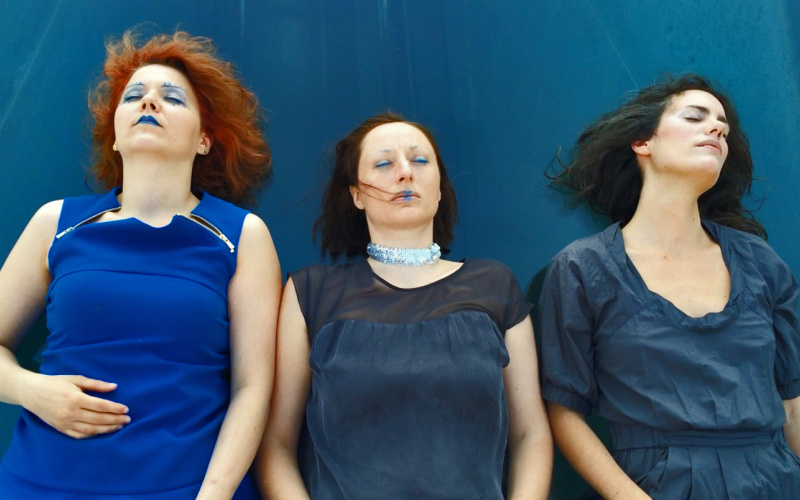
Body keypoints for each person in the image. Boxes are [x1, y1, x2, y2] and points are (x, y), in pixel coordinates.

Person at [0, 30, 281, 499]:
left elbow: (253, 388)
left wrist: (213, 494)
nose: (149, 102)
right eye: (135, 96)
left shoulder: (242, 235)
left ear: (205, 140)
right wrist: (32, 391)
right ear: (114, 137)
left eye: (172, 98)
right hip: (40, 483)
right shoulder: (56, 222)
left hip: (186, 487)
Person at [257, 112, 552, 499]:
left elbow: (531, 433)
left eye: (420, 160)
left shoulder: (494, 284)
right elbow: (275, 444)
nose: (405, 173)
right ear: (356, 195)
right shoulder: (311, 291)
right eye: (383, 163)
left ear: (440, 188)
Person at [540, 74, 800, 499]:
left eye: (723, 126)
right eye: (695, 117)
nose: (716, 128)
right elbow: (564, 412)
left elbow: (792, 403)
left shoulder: (762, 263)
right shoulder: (582, 269)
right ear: (643, 142)